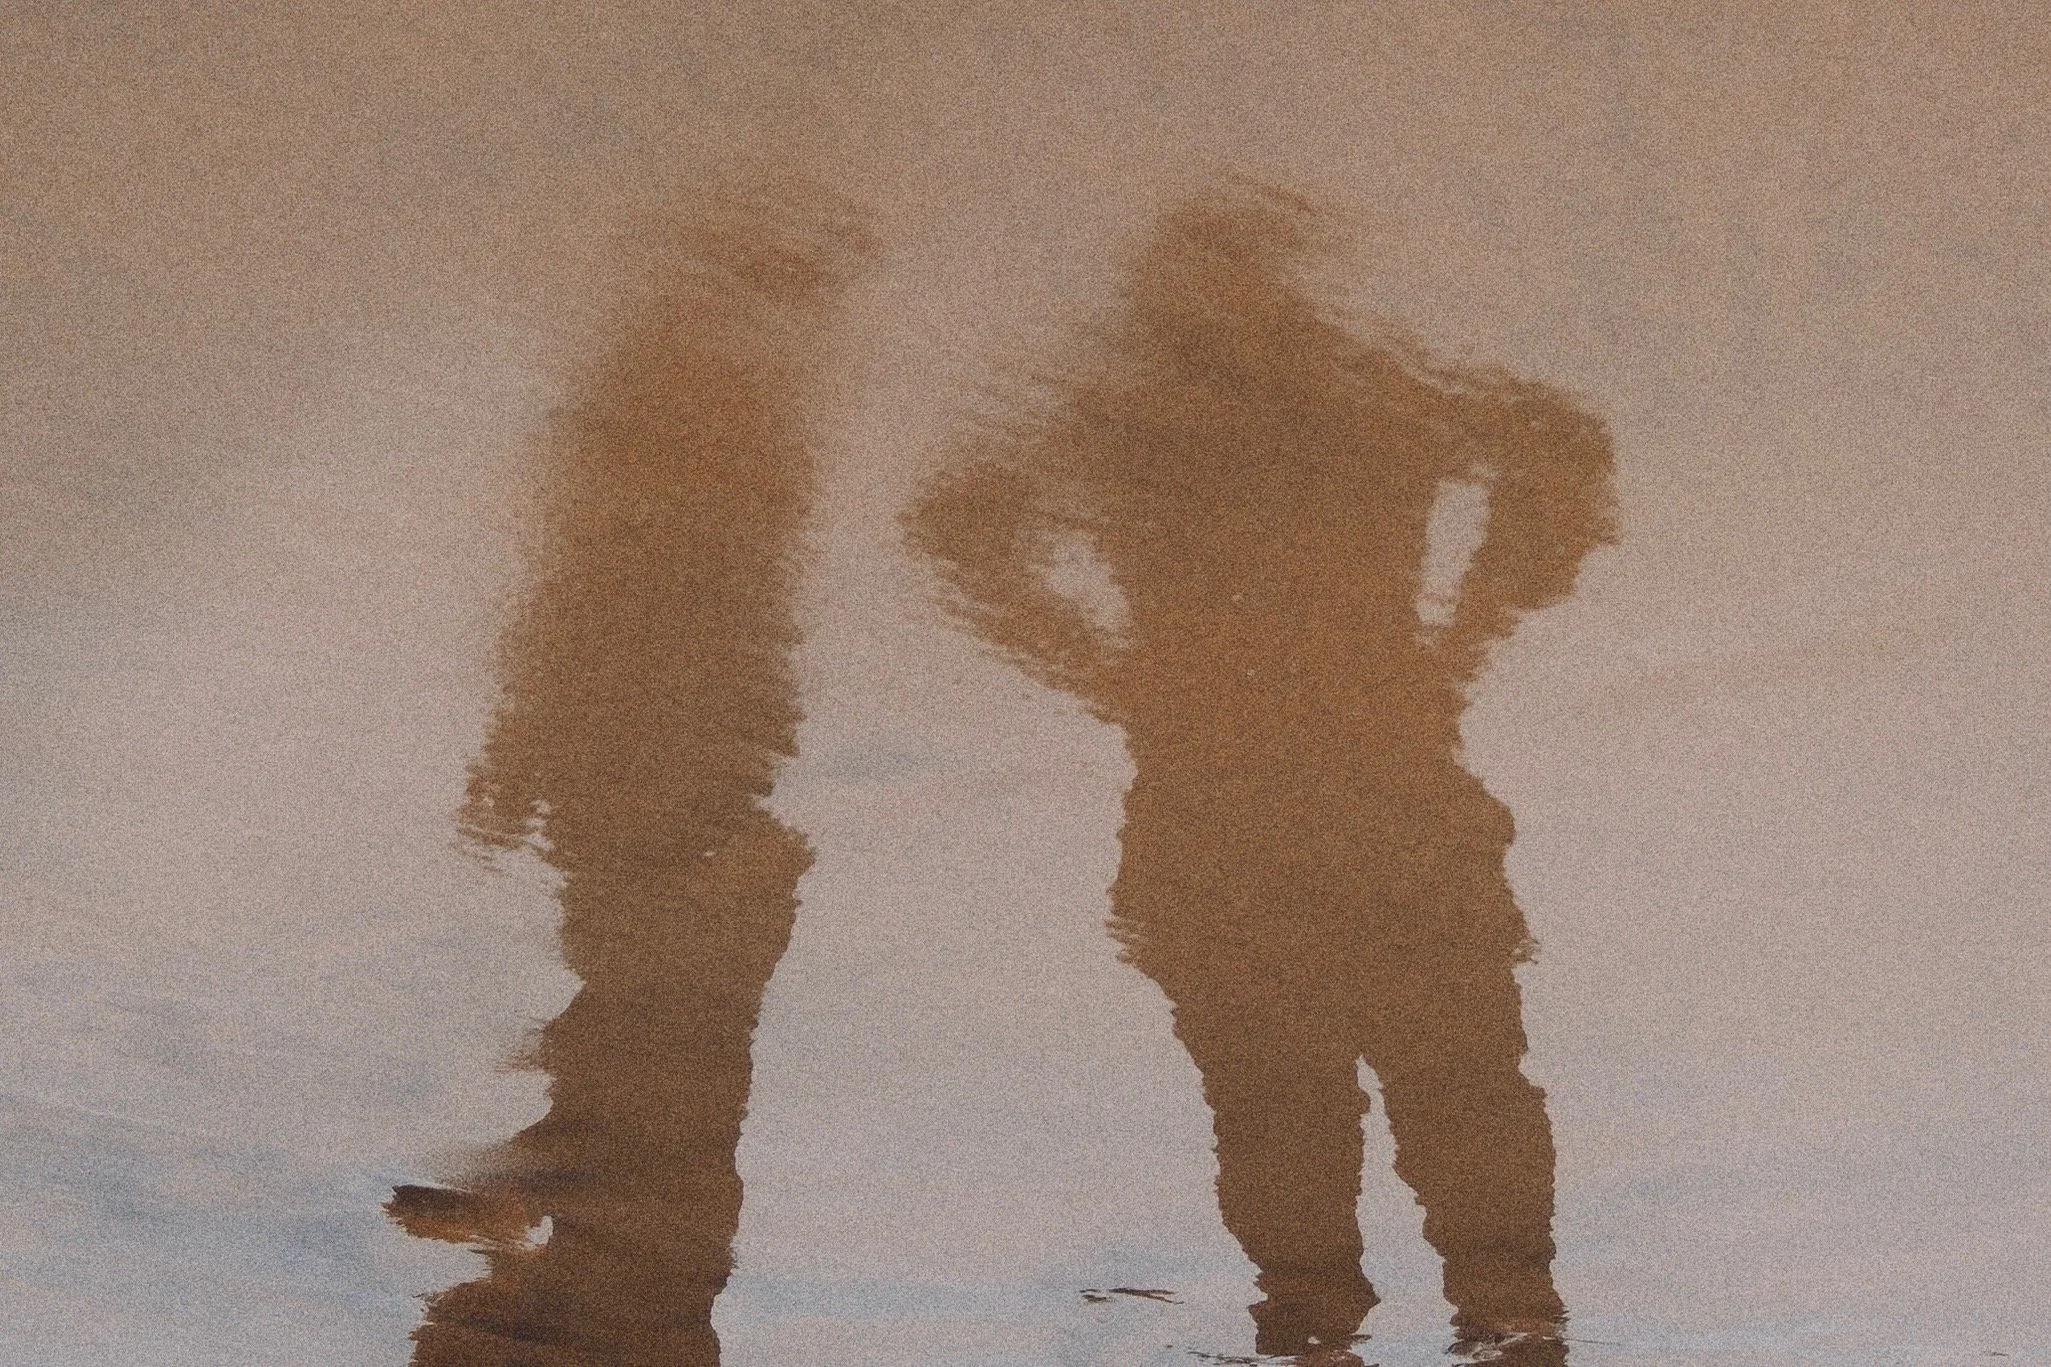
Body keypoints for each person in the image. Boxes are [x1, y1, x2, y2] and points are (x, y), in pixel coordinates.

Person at [906, 181, 1616, 1365]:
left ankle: (1328, 1327)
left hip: (1221, 789)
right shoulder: (1371, 391)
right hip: (1377, 769)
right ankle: (1494, 1322)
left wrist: (1107, 672)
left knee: (1288, 1088)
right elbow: (1559, 444)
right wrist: (1474, 621)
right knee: (1448, 1073)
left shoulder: (1133, 418)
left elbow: (959, 525)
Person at [385, 184, 870, 1367]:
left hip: (662, 758)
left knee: (647, 977)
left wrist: (522, 742)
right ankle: (562, 1168)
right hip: (677, 759)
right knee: (665, 995)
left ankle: (560, 1168)